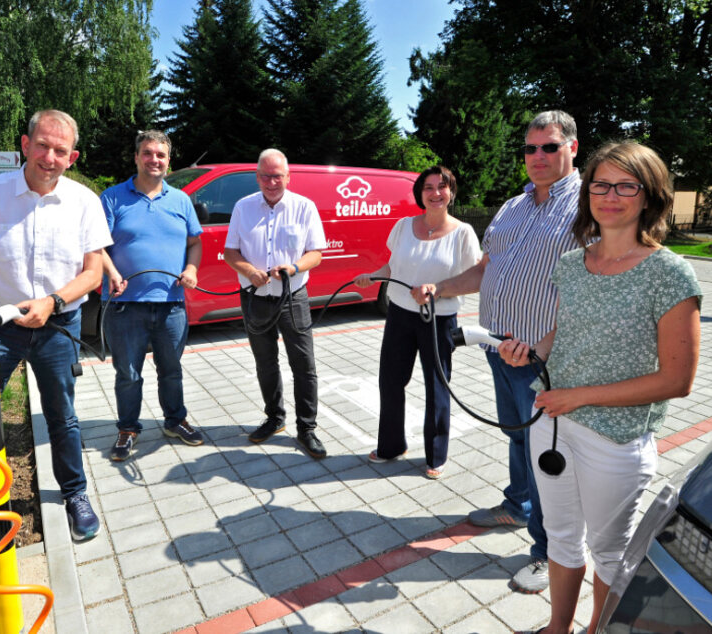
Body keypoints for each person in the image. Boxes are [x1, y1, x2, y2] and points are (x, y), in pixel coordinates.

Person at [499, 141, 700, 634]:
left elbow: (678, 380)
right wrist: (532, 350)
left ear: (649, 196)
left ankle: (599, 630)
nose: (610, 196)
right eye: (600, 184)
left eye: (625, 185)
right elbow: (565, 331)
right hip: (552, 424)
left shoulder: (669, 272)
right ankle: (557, 627)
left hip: (615, 439)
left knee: (610, 550)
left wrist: (580, 396)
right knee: (563, 538)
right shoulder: (572, 263)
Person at [0, 109, 112, 611]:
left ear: (72, 157)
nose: (50, 158)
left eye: (62, 151)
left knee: (63, 418)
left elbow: (93, 272)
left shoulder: (84, 201)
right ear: (24, 145)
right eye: (43, 146)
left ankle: (74, 495)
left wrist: (53, 300)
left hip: (56, 323)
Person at [412, 110, 582, 593]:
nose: (538, 157)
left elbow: (595, 287)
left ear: (572, 146)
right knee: (516, 437)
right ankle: (518, 506)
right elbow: (485, 269)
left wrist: (545, 347)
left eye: (549, 147)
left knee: (548, 454)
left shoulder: (590, 206)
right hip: (497, 346)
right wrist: (439, 287)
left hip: (547, 359)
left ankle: (551, 555)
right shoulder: (514, 206)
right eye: (530, 148)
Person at [355, 166, 480, 479]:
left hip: (439, 319)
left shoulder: (463, 233)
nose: (435, 193)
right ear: (420, 193)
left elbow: (475, 279)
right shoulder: (402, 226)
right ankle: (391, 446)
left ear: (451, 192)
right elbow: (394, 265)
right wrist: (372, 276)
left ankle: (436, 455)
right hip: (399, 314)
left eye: (442, 187)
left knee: (437, 387)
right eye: (428, 187)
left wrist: (436, 290)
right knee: (391, 381)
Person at [99, 130, 204, 461]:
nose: (154, 160)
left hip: (171, 304)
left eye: (160, 155)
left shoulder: (181, 200)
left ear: (168, 161)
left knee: (171, 370)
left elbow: (195, 242)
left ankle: (175, 420)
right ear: (136, 157)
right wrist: (112, 274)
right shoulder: (113, 197)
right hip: (124, 305)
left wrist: (192, 270)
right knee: (128, 374)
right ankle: (128, 429)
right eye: (148, 153)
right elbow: (96, 246)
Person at [223, 148, 328, 459]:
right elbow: (231, 253)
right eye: (266, 176)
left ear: (288, 177)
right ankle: (275, 418)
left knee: (304, 365)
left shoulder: (304, 207)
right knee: (265, 363)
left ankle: (307, 428)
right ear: (257, 176)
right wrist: (249, 271)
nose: (271, 182)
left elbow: (316, 252)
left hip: (293, 297)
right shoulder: (243, 207)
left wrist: (293, 268)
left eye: (277, 176)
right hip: (254, 298)